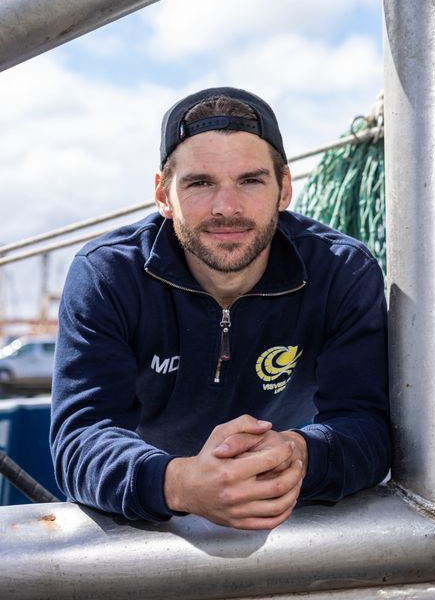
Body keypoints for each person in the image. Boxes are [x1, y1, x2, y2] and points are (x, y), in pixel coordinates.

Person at [50, 87, 391, 530]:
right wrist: (178, 483)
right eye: (199, 183)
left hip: (283, 496)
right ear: (163, 195)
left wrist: (300, 455)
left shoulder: (340, 272)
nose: (226, 208)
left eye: (250, 180)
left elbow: (369, 425)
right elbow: (81, 435)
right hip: (147, 511)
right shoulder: (109, 275)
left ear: (284, 188)